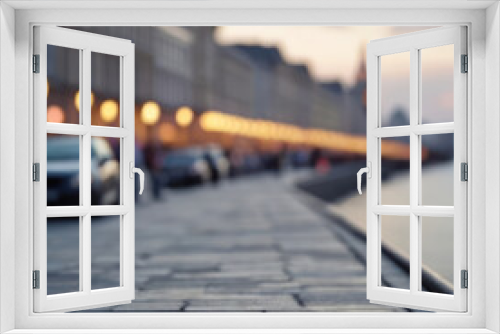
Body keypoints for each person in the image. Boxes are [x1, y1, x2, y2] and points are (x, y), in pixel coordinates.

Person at [144, 135, 163, 200]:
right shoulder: (150, 150)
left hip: (157, 166)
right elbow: (148, 159)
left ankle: (157, 194)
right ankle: (155, 194)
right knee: (154, 181)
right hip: (152, 167)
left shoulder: (157, 149)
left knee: (158, 181)